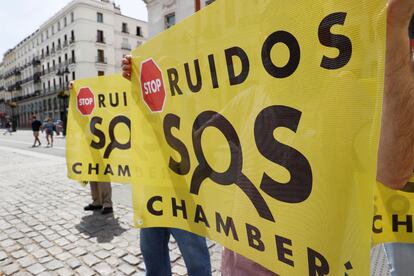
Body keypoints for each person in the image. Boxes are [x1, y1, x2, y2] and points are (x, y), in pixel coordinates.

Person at [122, 56, 212, 276]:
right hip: (152, 186)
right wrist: (131, 76)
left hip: (183, 189)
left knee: (196, 261)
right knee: (152, 258)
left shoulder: (193, 97)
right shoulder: (146, 96)